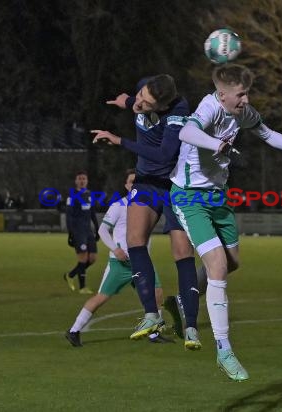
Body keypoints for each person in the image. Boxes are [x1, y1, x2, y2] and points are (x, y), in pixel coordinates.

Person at [170, 64, 282, 381]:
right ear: (222, 95)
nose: (246, 99)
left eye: (247, 93)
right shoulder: (209, 107)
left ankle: (185, 297)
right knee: (218, 265)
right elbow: (187, 132)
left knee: (232, 262)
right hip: (190, 198)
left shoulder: (242, 112)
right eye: (241, 94)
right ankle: (224, 350)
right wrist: (220, 145)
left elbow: (266, 133)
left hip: (218, 197)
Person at [91, 74, 202, 350]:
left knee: (182, 253)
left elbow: (165, 155)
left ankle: (190, 328)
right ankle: (152, 315)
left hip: (174, 185)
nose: (139, 103)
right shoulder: (144, 92)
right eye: (140, 95)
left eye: (146, 102)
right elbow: (135, 100)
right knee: (135, 241)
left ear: (162, 107)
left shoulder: (178, 112)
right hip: (145, 182)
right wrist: (126, 100)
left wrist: (120, 141)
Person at [65, 170, 167, 346]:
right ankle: (74, 330)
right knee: (101, 297)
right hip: (121, 263)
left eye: (138, 182)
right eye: (131, 182)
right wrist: (115, 249)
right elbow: (102, 230)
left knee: (157, 294)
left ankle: (154, 333)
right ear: (127, 185)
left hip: (142, 262)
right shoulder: (119, 205)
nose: (135, 185)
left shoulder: (149, 206)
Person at [64, 170, 100, 294]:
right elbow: (68, 216)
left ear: (87, 181)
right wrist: (70, 233)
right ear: (76, 181)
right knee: (83, 258)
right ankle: (82, 287)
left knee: (93, 258)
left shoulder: (89, 194)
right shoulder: (72, 196)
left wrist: (97, 228)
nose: (82, 181)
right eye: (79, 178)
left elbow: (92, 213)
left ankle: (70, 275)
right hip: (78, 231)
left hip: (88, 231)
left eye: (84, 178)